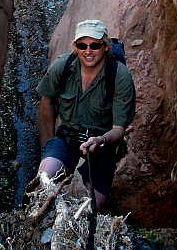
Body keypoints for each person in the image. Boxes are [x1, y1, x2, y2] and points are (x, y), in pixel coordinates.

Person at [36, 19, 135, 209]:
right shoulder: (63, 67)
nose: (88, 51)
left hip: (102, 143)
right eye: (82, 45)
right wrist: (47, 146)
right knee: (45, 177)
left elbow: (119, 129)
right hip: (67, 136)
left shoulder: (119, 76)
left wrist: (100, 141)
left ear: (105, 46)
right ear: (76, 47)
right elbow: (46, 101)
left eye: (94, 45)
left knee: (93, 205)